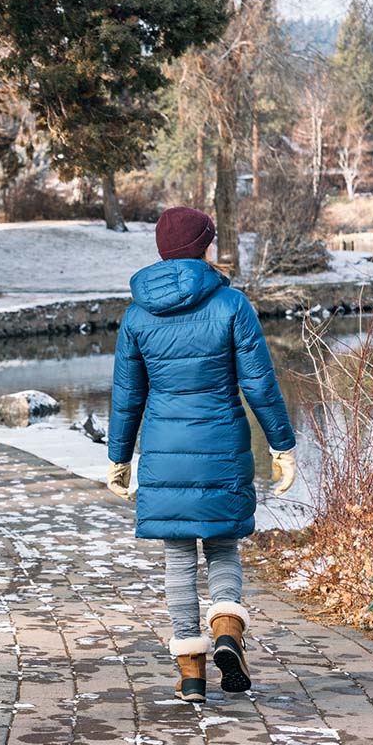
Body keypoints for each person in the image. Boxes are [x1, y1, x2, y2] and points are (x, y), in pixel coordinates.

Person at [105, 206, 296, 703]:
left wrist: (118, 456)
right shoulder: (232, 304)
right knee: (223, 546)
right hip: (222, 444)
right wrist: (282, 445)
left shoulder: (137, 314)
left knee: (176, 558)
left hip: (164, 450)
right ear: (205, 247)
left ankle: (191, 673)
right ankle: (228, 631)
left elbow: (128, 394)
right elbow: (259, 384)